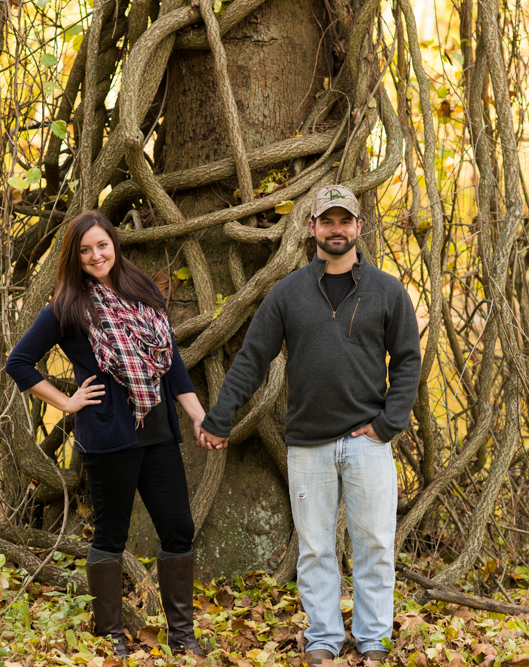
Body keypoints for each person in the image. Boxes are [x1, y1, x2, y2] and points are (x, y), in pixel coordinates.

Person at [198, 185, 421, 663]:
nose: (336, 230)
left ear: (359, 227)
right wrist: (220, 417)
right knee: (317, 550)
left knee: (376, 546)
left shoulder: (387, 291)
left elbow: (407, 361)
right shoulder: (288, 293)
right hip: (308, 446)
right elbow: (251, 359)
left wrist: (388, 425)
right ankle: (323, 640)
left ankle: (374, 640)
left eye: (345, 221)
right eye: (327, 221)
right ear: (311, 228)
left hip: (368, 441)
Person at [5, 210, 207, 657]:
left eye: (102, 245)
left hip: (157, 430)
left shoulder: (144, 291)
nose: (96, 255)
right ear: (74, 258)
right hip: (107, 436)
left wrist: (196, 415)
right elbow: (18, 362)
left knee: (178, 528)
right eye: (85, 250)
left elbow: (170, 363)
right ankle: (111, 635)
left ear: (114, 244)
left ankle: (182, 635)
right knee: (110, 536)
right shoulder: (67, 307)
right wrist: (68, 402)